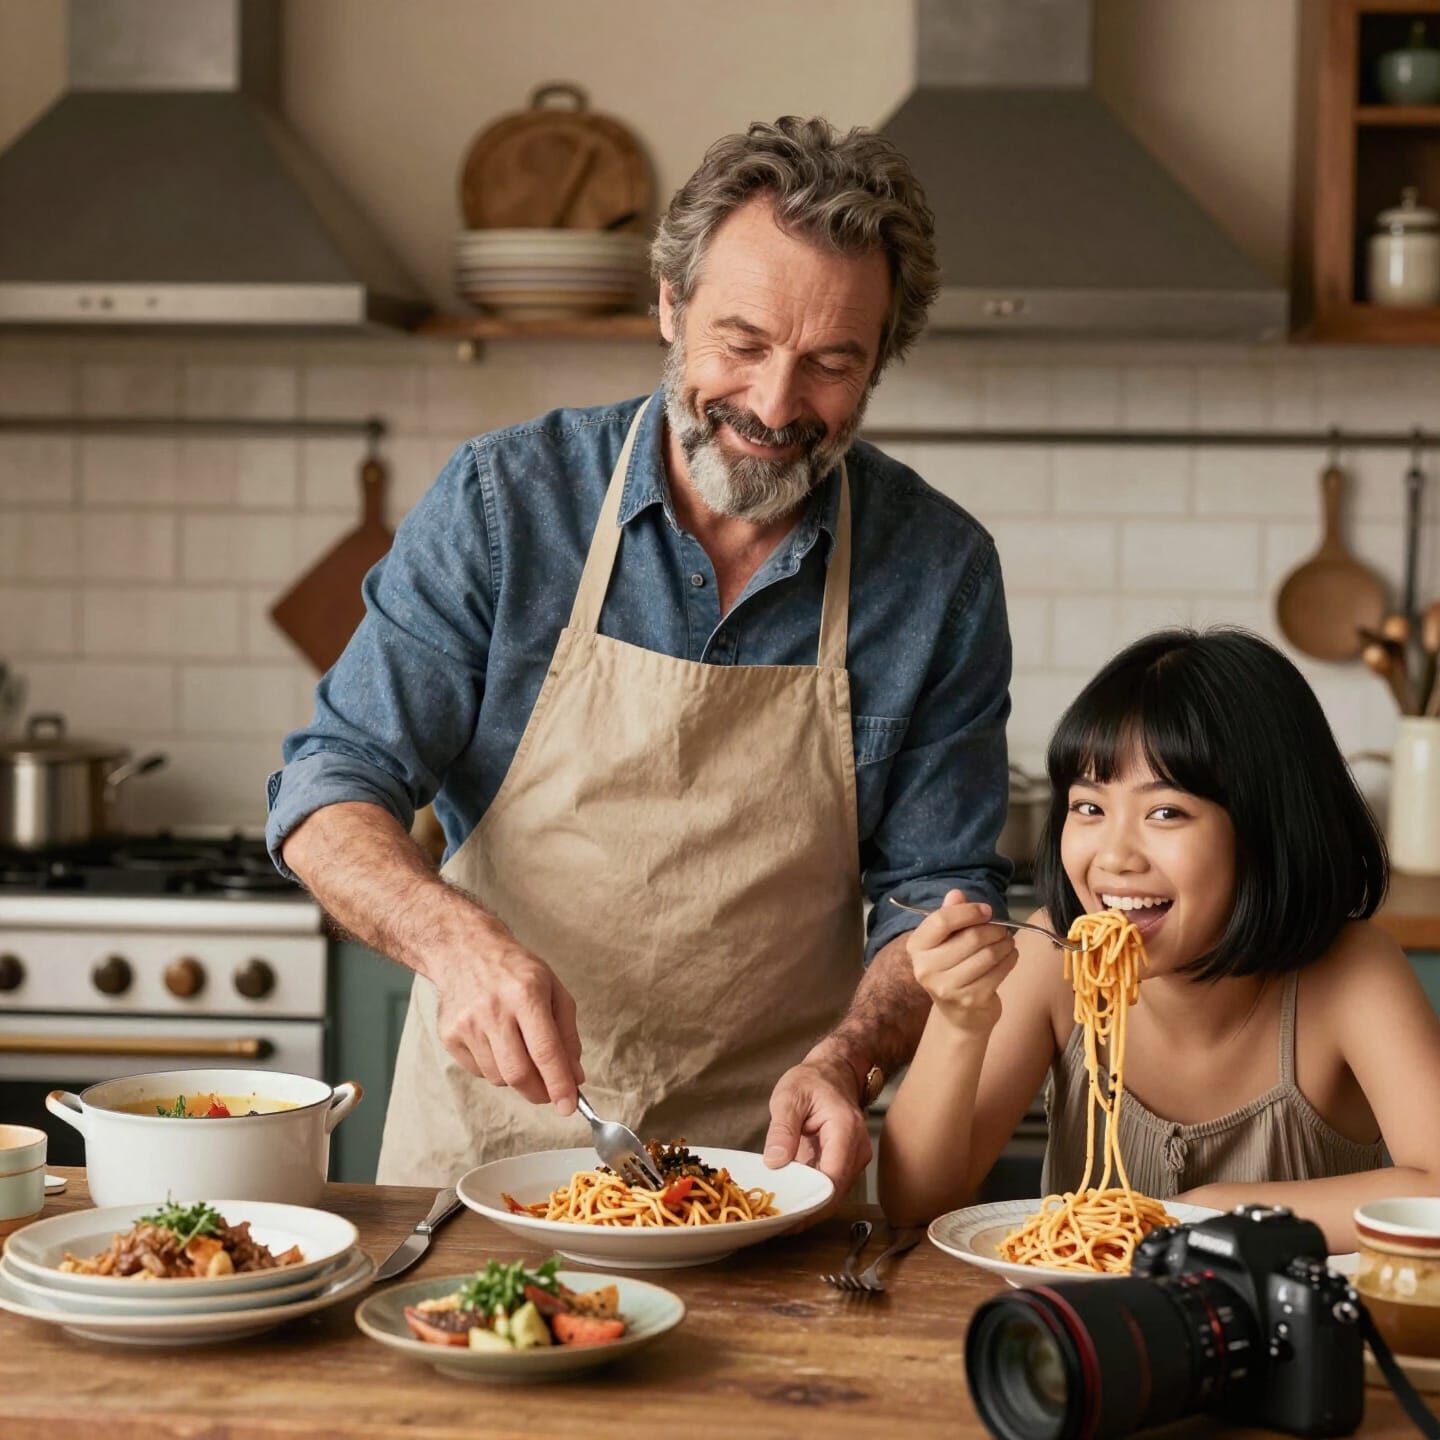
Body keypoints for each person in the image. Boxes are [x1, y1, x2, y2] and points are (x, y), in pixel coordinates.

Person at [266, 116, 1013, 1191]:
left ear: (881, 363)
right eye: (742, 343)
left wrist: (850, 1061)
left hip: (766, 1175)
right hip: (486, 1164)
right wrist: (454, 946)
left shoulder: (937, 572)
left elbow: (933, 896)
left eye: (831, 365)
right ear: (669, 304)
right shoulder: (506, 505)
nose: (772, 404)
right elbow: (328, 786)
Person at [879, 628, 1440, 1249]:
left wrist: (1210, 1214)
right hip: (1081, 1336)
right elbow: (913, 1202)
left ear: (1265, 830)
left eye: (1165, 812)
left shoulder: (1353, 974)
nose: (1114, 856)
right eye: (1089, 807)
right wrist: (958, 1022)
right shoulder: (1045, 956)